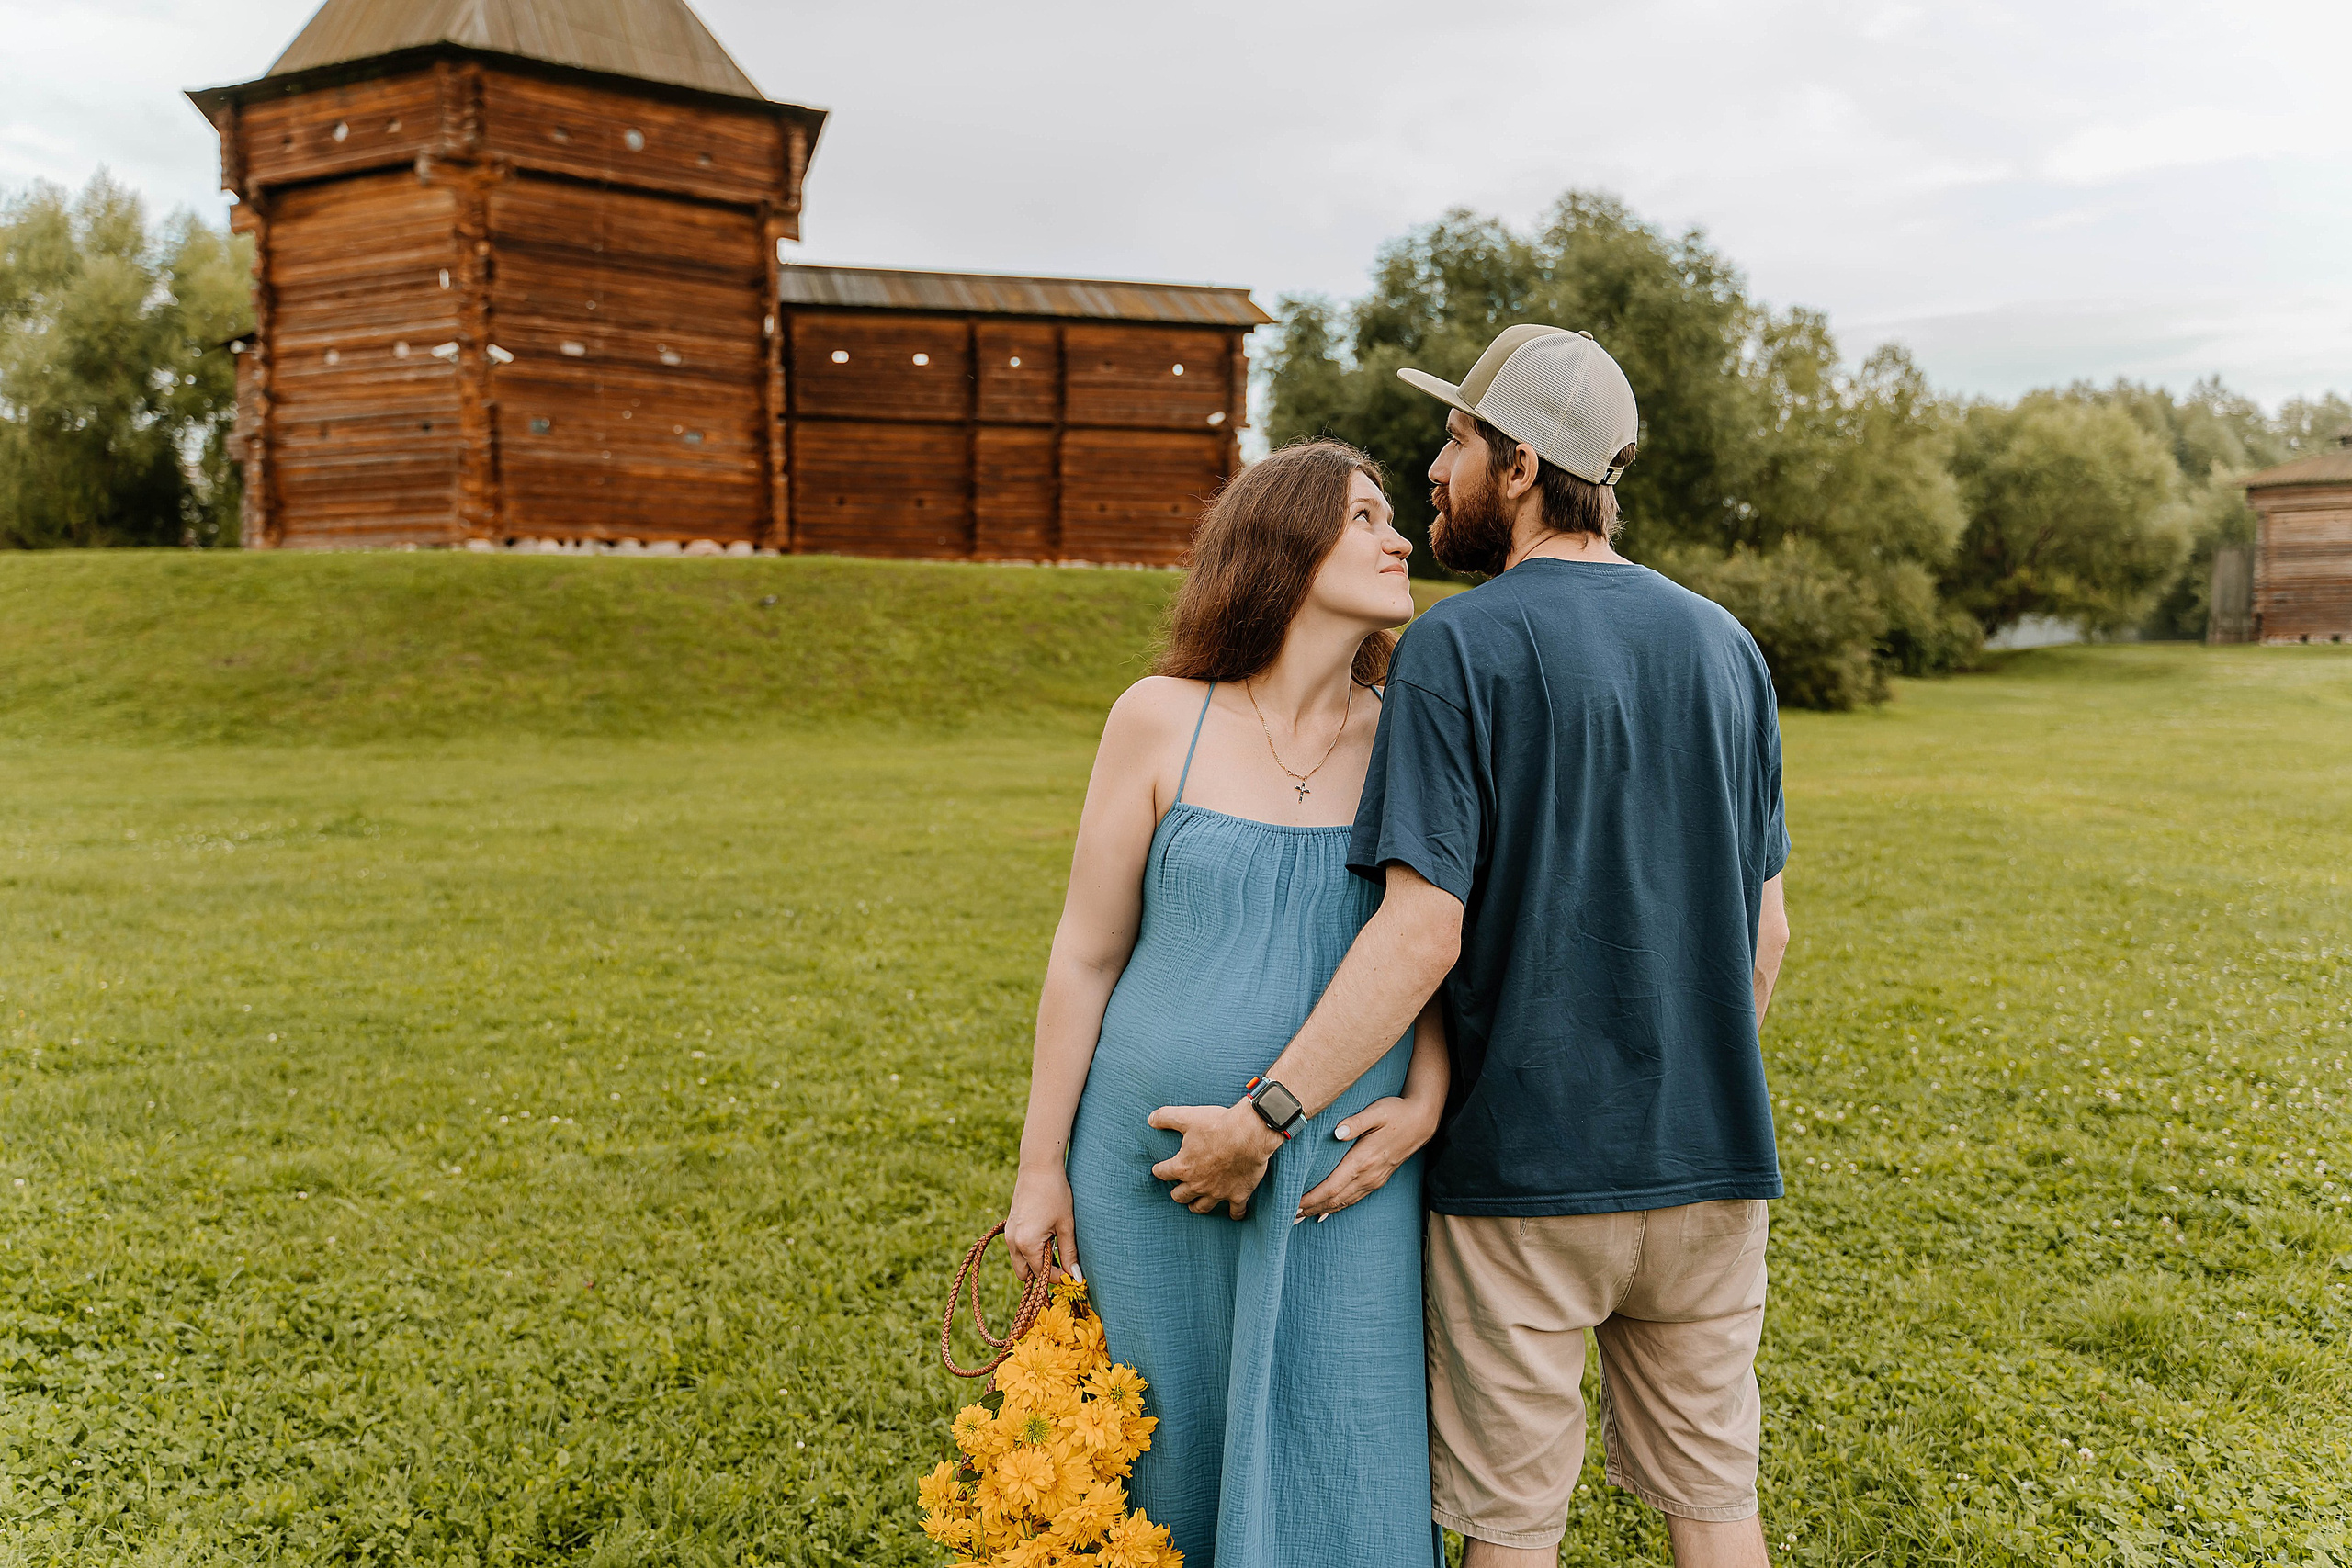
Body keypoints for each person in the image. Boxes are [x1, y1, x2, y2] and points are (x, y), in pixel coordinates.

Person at [1149, 326, 1792, 1568]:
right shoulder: (1730, 648)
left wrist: (1268, 1113)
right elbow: (1767, 927)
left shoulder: (1458, 647)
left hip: (1526, 1180)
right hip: (1713, 1168)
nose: (1434, 467)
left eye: (1456, 438)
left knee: (1511, 1526)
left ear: (1522, 462)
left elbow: (1422, 927)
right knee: (1715, 1508)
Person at [1002, 440, 1451, 1568]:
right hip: (1147, 1176)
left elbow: (1429, 937)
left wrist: (1430, 1096)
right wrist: (1038, 1169)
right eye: (1363, 516)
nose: (1400, 539)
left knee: (1345, 1440)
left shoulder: (1413, 729)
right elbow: (1086, 955)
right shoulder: (1159, 717)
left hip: (1340, 1167)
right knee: (1162, 1447)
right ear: (1283, 543)